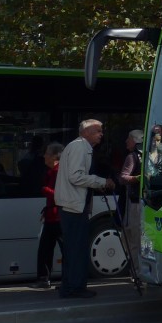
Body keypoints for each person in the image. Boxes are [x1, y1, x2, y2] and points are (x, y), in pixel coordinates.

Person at [55, 119, 115, 299]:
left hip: (72, 205)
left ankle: (69, 286)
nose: (101, 134)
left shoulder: (78, 147)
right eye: (98, 131)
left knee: (73, 248)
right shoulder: (80, 148)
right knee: (77, 248)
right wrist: (102, 182)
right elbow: (76, 177)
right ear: (86, 132)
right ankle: (75, 287)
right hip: (73, 206)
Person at [34, 142, 65, 289]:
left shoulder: (59, 172)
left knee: (61, 248)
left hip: (58, 216)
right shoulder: (53, 171)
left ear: (54, 156)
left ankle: (62, 279)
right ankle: (44, 278)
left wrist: (45, 189)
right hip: (52, 214)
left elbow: (60, 195)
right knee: (45, 248)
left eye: (47, 153)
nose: (44, 156)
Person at [118, 129, 144, 276]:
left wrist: (136, 179)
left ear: (134, 141)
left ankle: (136, 272)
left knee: (133, 240)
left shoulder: (132, 157)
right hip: (146, 203)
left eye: (128, 139)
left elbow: (123, 178)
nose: (126, 142)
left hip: (134, 204)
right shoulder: (150, 155)